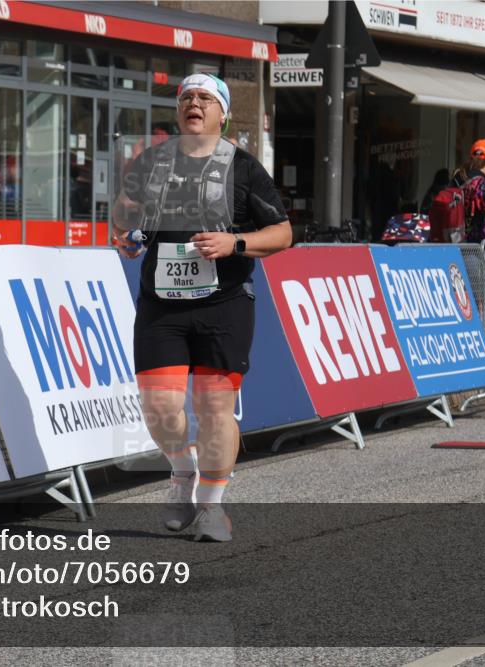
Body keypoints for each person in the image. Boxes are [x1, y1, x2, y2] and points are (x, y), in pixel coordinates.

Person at [112, 73, 292, 542]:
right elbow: (127, 213)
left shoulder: (245, 167)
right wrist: (129, 232)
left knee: (214, 408)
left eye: (205, 98)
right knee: (159, 408)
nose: (194, 103)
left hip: (224, 304)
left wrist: (234, 242)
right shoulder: (151, 162)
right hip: (162, 306)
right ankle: (181, 472)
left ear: (223, 114)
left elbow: (283, 234)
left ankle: (212, 507)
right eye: (187, 97)